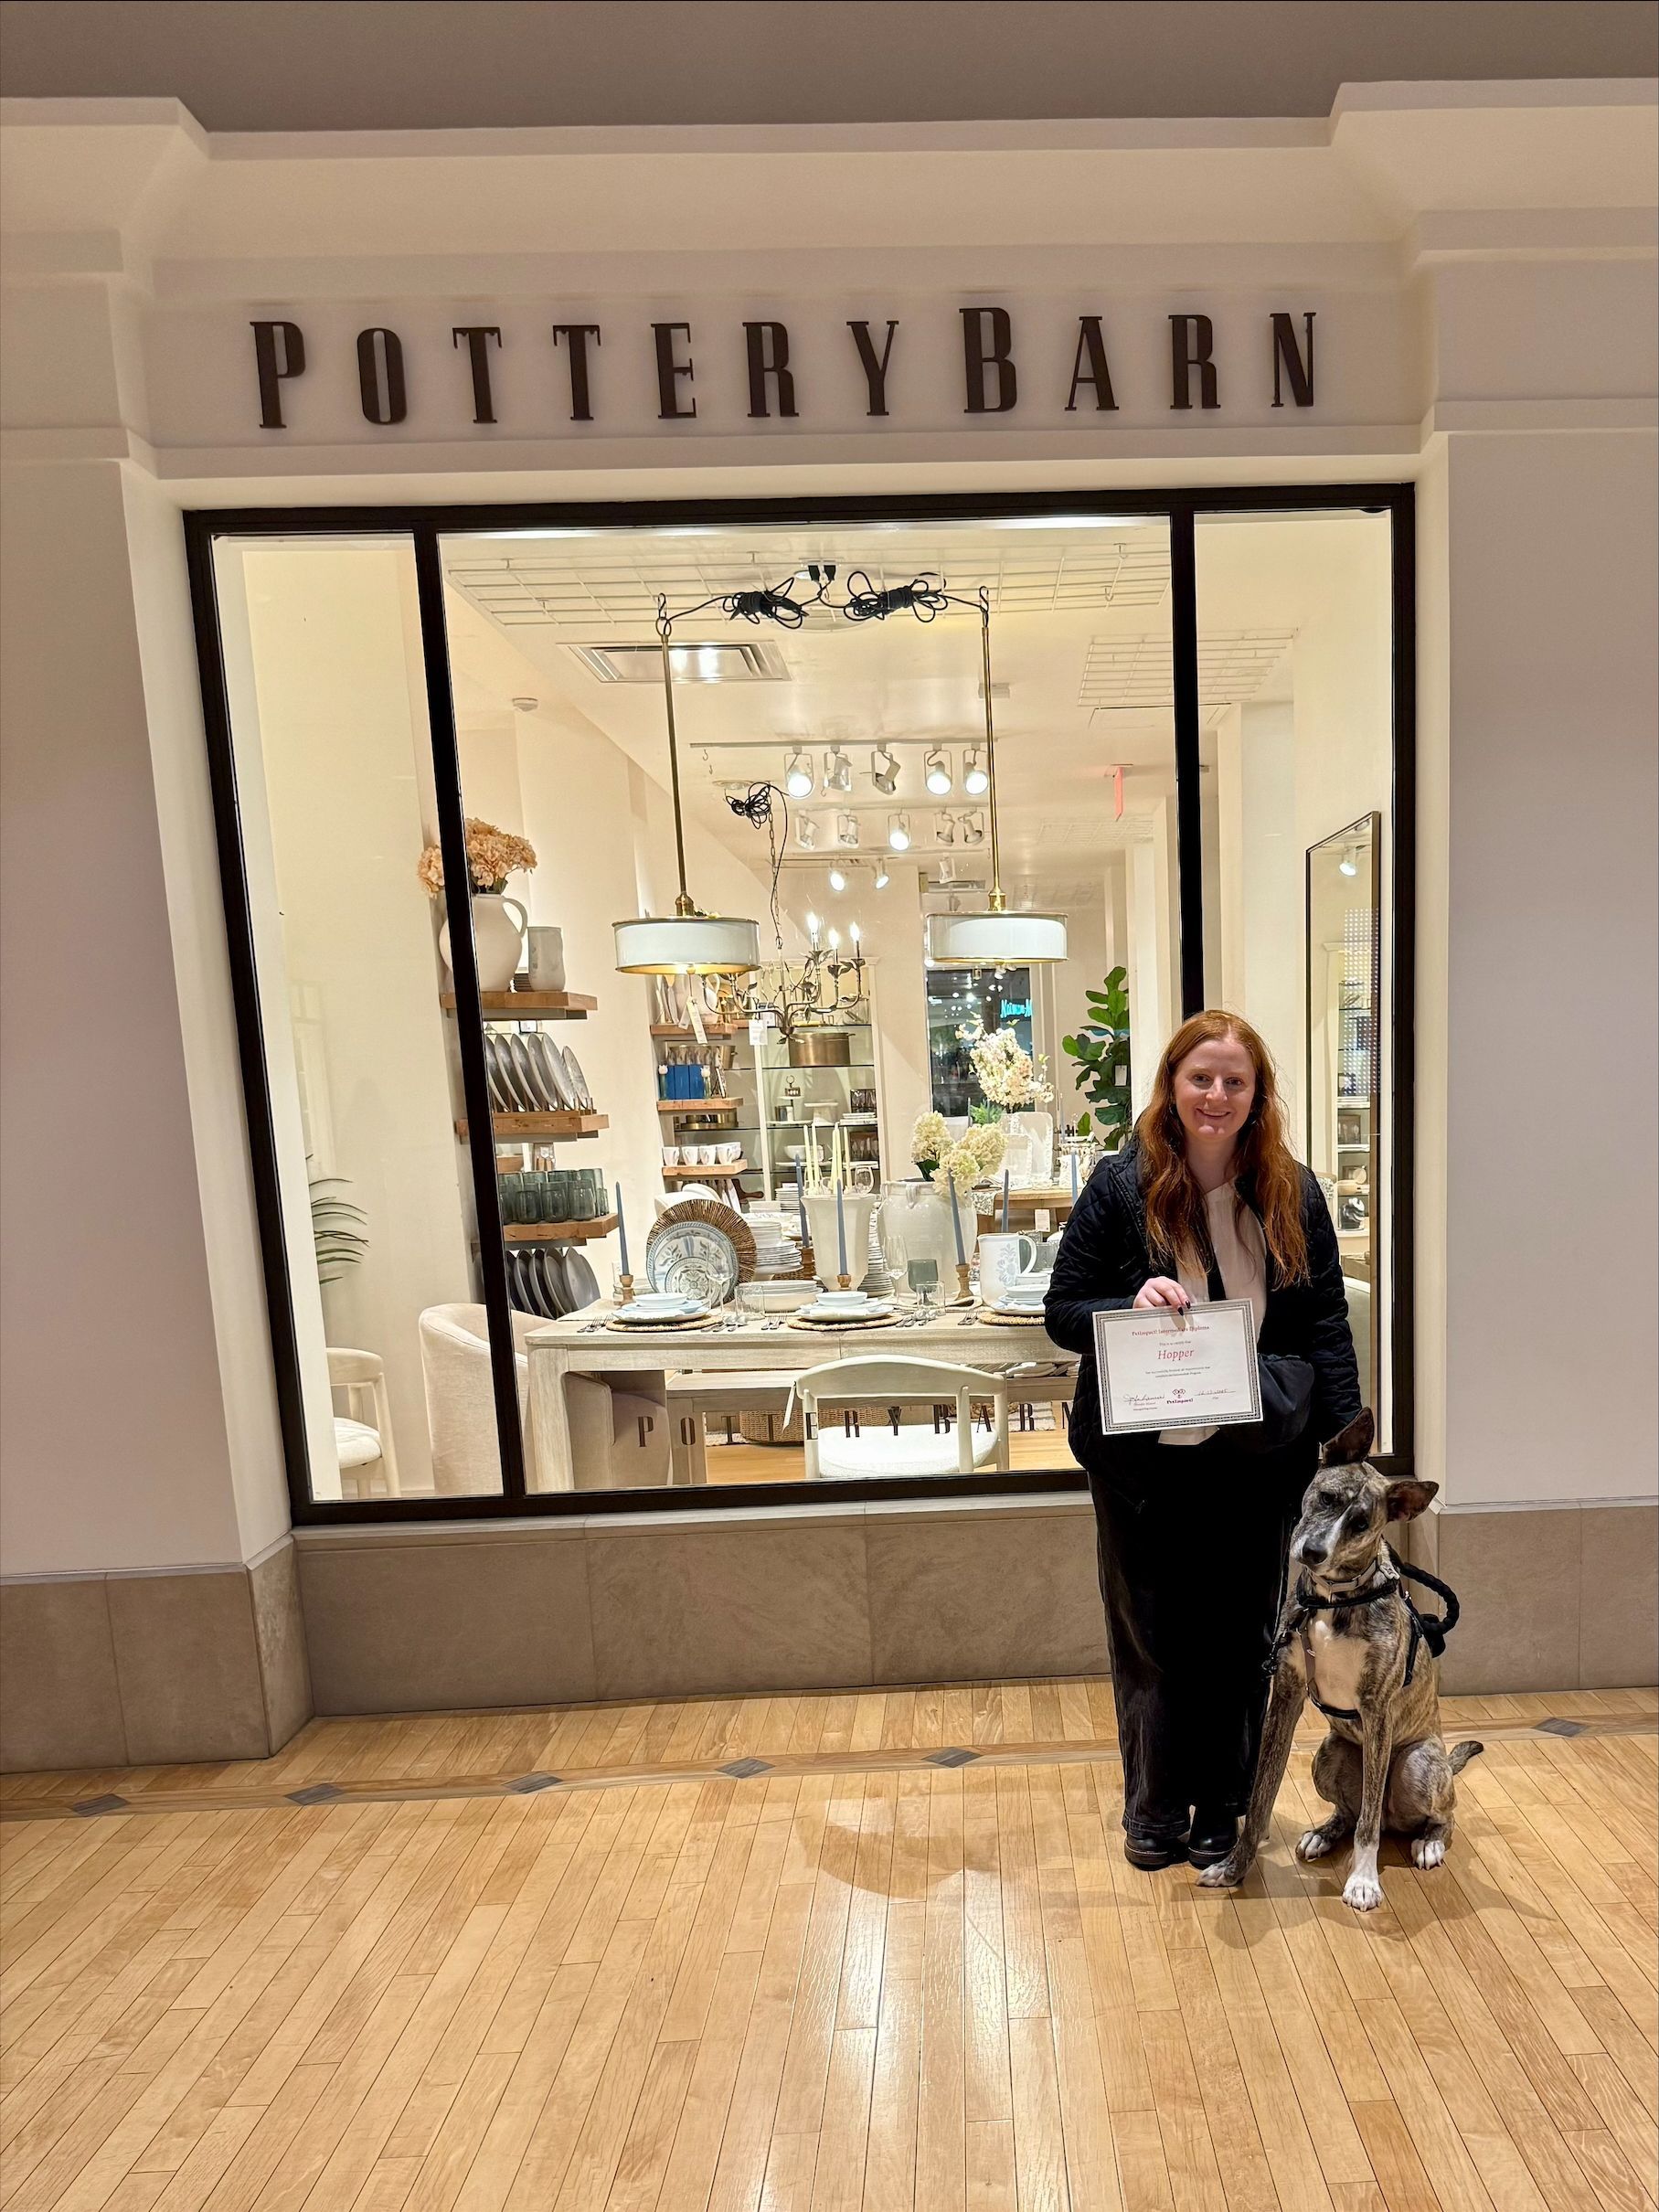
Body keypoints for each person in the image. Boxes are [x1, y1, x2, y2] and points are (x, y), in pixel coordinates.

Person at [1044, 1010, 1362, 1871]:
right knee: (1150, 1636)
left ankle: (1225, 1808)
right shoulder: (1120, 1186)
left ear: (1257, 1096)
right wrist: (1125, 1305)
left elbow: (1323, 1319)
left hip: (1257, 1458)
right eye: (1201, 1078)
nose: (1216, 1095)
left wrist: (1346, 1436)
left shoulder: (1291, 1191)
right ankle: (1152, 1811)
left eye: (1235, 1081)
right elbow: (1061, 1312)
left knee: (1240, 1637)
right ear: (1171, 1087)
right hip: (1141, 1464)